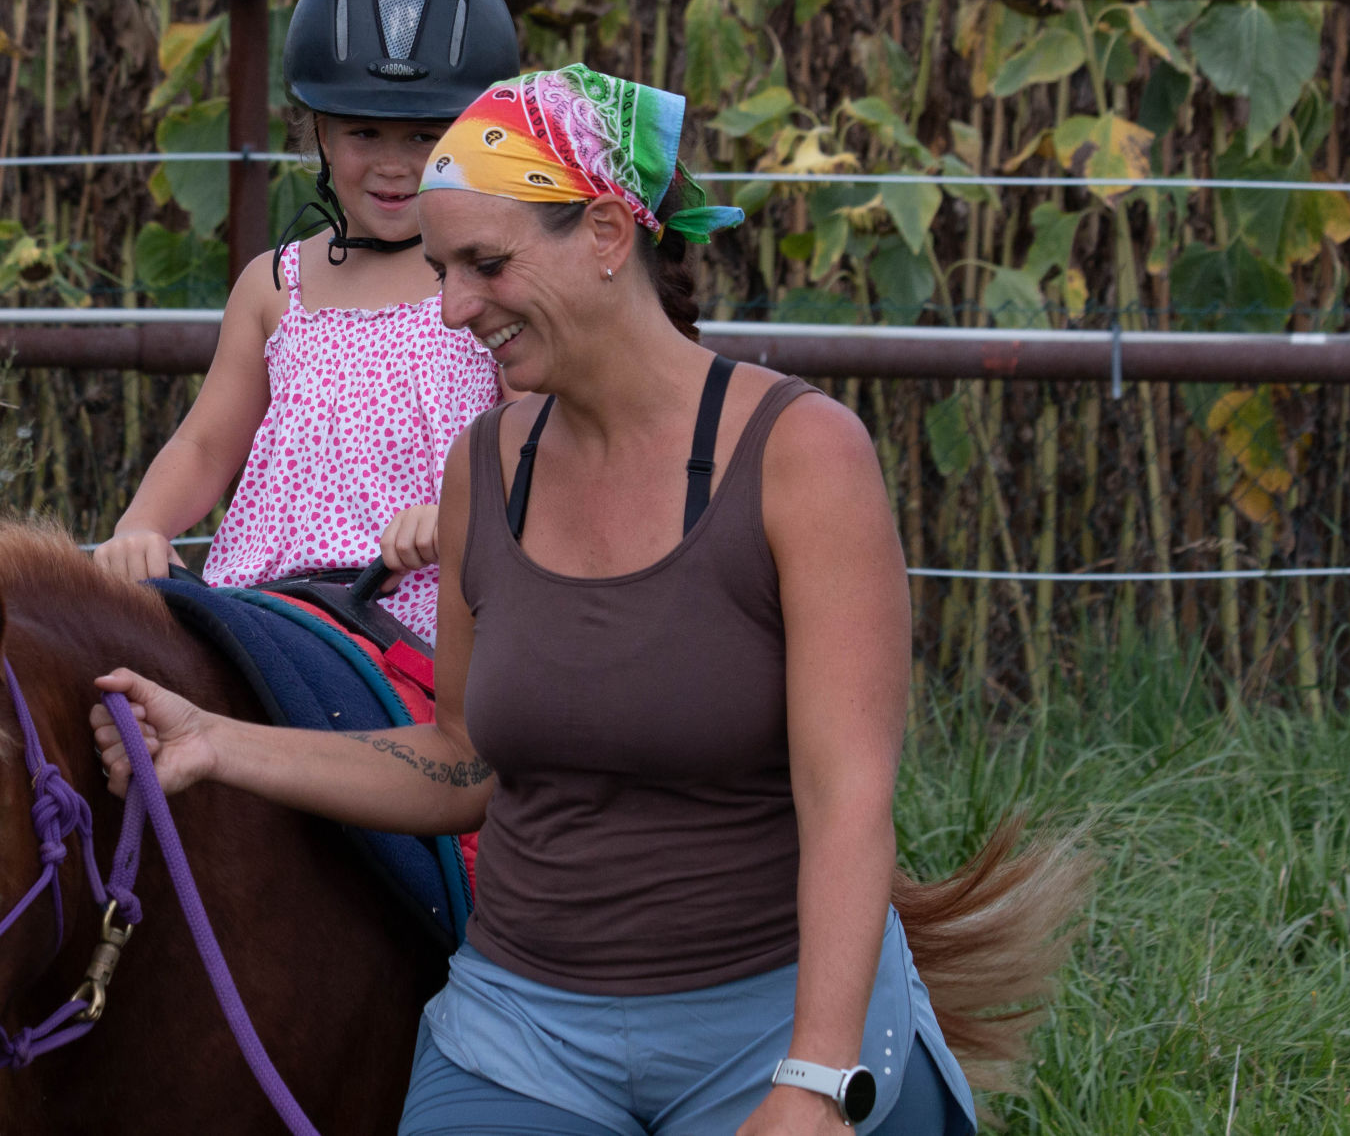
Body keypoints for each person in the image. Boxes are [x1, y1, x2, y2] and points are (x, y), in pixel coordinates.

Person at [92, 66, 1079, 1134]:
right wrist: (213, 741)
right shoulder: (486, 467)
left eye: (485, 264)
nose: (455, 308)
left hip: (766, 1016)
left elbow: (846, 798)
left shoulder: (800, 456)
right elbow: (458, 758)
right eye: (439, 270)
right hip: (521, 1033)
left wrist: (816, 1077)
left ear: (608, 233)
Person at [92, 0, 520, 643]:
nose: (392, 163)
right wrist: (141, 526)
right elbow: (204, 447)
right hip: (265, 606)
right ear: (319, 132)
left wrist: (461, 510)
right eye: (362, 131)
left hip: (420, 613)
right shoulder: (275, 286)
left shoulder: (493, 284)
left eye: (424, 135)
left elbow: (536, 436)